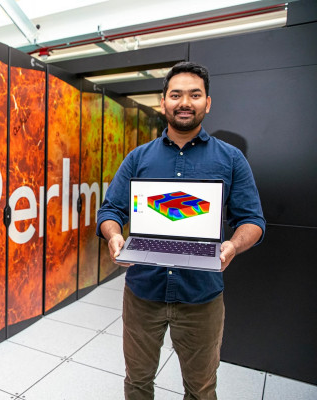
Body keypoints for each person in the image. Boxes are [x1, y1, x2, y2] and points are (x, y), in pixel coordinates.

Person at [96, 62, 265, 399]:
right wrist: (114, 235)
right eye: (176, 95)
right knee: (138, 382)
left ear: (207, 102)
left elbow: (253, 221)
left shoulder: (230, 159)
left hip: (201, 296)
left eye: (194, 94)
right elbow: (110, 211)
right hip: (143, 292)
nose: (185, 102)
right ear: (164, 103)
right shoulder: (138, 157)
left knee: (201, 388)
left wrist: (231, 245)